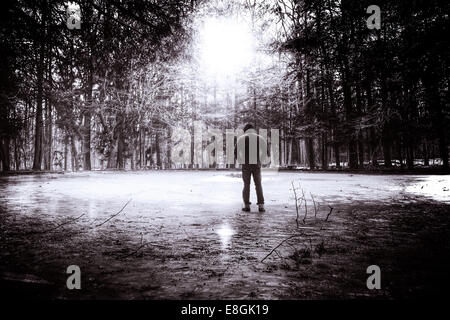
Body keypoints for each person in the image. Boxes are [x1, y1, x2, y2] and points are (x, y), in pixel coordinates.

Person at [236, 123, 266, 212]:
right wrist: (260, 160)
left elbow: (236, 152)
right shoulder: (260, 138)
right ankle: (261, 206)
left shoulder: (241, 139)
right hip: (256, 165)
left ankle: (247, 206)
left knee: (246, 185)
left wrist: (241, 161)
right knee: (258, 185)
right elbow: (265, 151)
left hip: (246, 165)